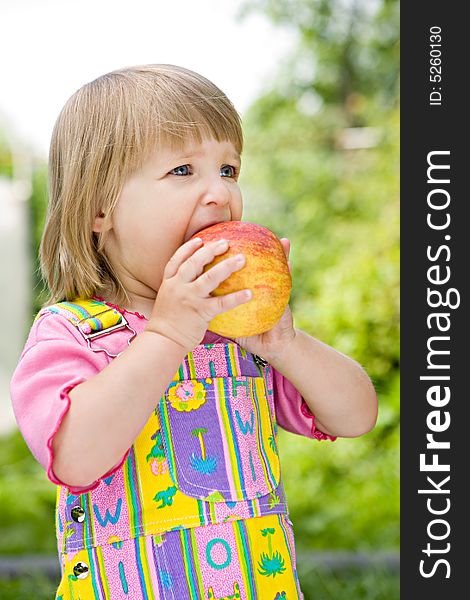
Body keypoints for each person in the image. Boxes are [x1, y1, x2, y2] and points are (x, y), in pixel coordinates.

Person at [10, 64, 377, 600]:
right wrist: (166, 336)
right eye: (183, 170)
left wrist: (283, 345)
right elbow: (76, 456)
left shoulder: (234, 334)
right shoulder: (72, 335)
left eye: (228, 170)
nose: (219, 194)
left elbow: (356, 414)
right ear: (99, 208)